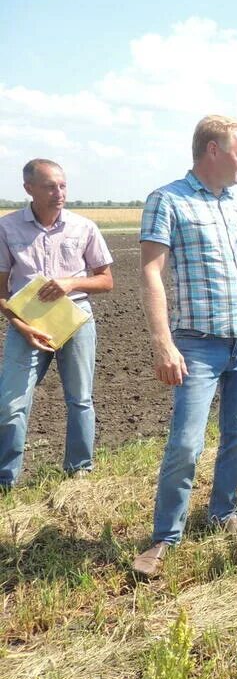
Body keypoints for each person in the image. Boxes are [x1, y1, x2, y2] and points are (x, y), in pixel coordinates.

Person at [133, 115, 237, 578]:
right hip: (197, 346)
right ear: (213, 151)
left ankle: (224, 513)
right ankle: (164, 538)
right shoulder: (167, 200)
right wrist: (163, 343)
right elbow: (151, 273)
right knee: (186, 443)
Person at [0, 159, 114, 491]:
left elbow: (106, 281)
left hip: (75, 322)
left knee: (80, 399)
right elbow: (1, 291)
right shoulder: (7, 229)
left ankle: (79, 471)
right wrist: (21, 327)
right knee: (11, 403)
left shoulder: (84, 227)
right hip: (27, 324)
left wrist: (70, 284)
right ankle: (6, 481)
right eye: (50, 186)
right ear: (29, 189)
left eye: (62, 186)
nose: (59, 193)